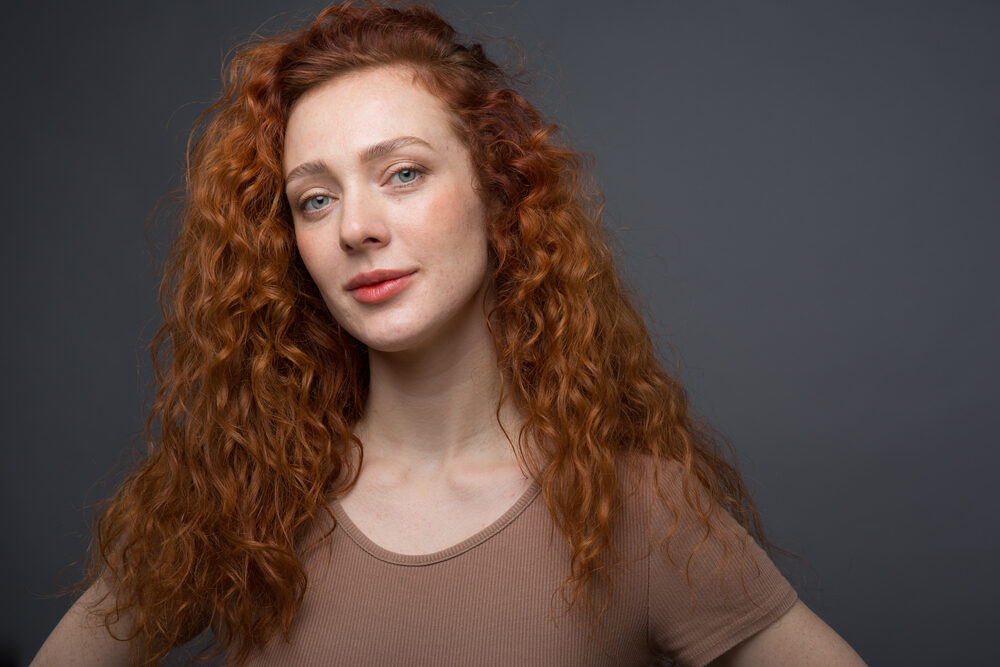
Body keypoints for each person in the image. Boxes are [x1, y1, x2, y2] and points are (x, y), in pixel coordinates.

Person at [33, 2, 866, 665]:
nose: (357, 226)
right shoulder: (242, 500)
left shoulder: (636, 510)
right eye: (314, 198)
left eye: (402, 173)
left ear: (498, 194)